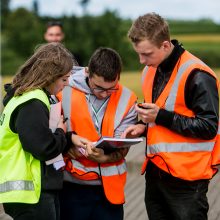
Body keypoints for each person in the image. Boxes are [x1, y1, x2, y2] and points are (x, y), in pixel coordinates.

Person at [122, 13, 219, 220]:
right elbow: (160, 116)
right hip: (156, 174)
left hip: (187, 181)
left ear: (165, 45)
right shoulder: (150, 70)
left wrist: (161, 117)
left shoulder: (198, 74)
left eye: (147, 54)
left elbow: (209, 127)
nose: (142, 61)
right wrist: (143, 125)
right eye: (139, 54)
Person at [57, 47, 138, 220]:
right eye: (98, 88)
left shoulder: (128, 98)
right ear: (87, 72)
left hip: (110, 191)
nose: (104, 94)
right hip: (71, 186)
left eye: (111, 89)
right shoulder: (62, 90)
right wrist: (68, 146)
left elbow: (123, 146)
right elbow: (51, 134)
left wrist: (105, 158)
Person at [0, 42, 77, 220]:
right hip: (32, 195)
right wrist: (60, 131)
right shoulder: (32, 102)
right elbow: (43, 147)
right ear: (49, 76)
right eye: (63, 79)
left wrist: (67, 138)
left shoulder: (24, 96)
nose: (65, 84)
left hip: (30, 193)